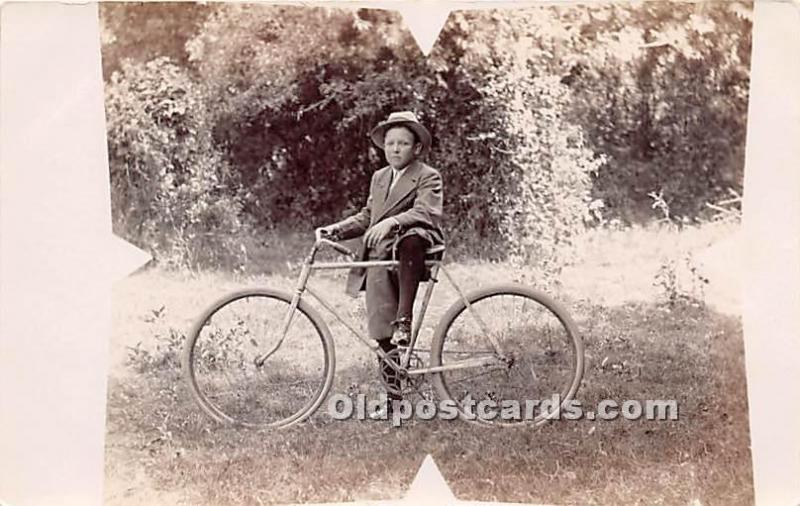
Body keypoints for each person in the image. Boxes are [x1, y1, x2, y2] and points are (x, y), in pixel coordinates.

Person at [316, 111, 445, 411]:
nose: (395, 149)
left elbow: (428, 212)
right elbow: (368, 216)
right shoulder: (380, 177)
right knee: (380, 331)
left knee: (411, 239)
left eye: (403, 143)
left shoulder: (427, 175)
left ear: (416, 148)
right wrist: (336, 229)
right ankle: (394, 401)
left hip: (413, 254)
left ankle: (405, 319)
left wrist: (393, 223)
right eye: (390, 143)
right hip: (379, 256)